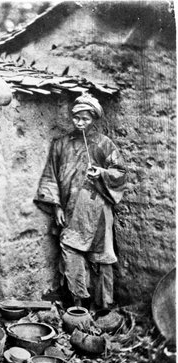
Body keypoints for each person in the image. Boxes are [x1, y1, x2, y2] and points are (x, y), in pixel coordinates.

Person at [35, 93, 127, 310]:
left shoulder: (104, 144)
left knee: (103, 257)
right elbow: (51, 176)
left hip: (97, 209)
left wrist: (102, 173)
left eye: (86, 119)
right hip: (70, 209)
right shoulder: (60, 145)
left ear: (94, 119)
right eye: (77, 118)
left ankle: (104, 305)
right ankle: (78, 303)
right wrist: (56, 206)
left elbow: (120, 173)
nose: (80, 122)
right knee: (70, 252)